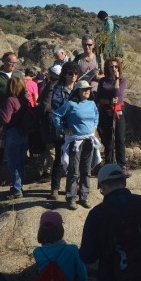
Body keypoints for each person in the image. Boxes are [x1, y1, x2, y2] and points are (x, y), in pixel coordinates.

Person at [52, 80, 100, 210]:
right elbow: (56, 114)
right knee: (74, 170)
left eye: (88, 89)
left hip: (89, 140)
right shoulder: (71, 104)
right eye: (84, 89)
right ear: (77, 91)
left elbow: (96, 115)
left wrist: (95, 126)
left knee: (86, 169)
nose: (87, 91)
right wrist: (63, 128)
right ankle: (71, 197)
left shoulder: (92, 104)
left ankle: (84, 196)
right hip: (75, 141)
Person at [34, 211, 87, 281]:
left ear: (40, 230)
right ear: (60, 229)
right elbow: (82, 277)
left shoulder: (37, 252)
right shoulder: (72, 250)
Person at [46, 62, 79, 200]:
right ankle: (55, 188)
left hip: (76, 129)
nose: (73, 76)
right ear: (65, 75)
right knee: (59, 158)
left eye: (76, 74)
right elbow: (56, 108)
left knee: (74, 160)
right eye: (70, 73)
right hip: (62, 128)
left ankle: (71, 188)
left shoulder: (79, 89)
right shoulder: (58, 89)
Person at [0, 52, 24, 165]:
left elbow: (24, 90)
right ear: (5, 61)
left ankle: (13, 157)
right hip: (0, 109)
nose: (13, 65)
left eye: (15, 63)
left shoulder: (18, 74)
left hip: (16, 110)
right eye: (11, 62)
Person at [0, 77, 29, 199]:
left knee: (13, 162)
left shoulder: (10, 100)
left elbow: (6, 119)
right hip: (24, 132)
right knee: (21, 161)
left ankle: (17, 190)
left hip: (13, 132)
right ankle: (19, 185)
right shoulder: (24, 100)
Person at [96, 58, 127, 167]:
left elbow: (117, 93)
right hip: (106, 111)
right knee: (108, 140)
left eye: (116, 66)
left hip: (118, 111)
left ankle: (121, 165)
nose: (113, 68)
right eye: (111, 66)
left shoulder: (122, 80)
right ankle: (109, 165)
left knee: (120, 139)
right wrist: (108, 101)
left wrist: (117, 78)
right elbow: (98, 98)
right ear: (107, 68)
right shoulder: (103, 81)